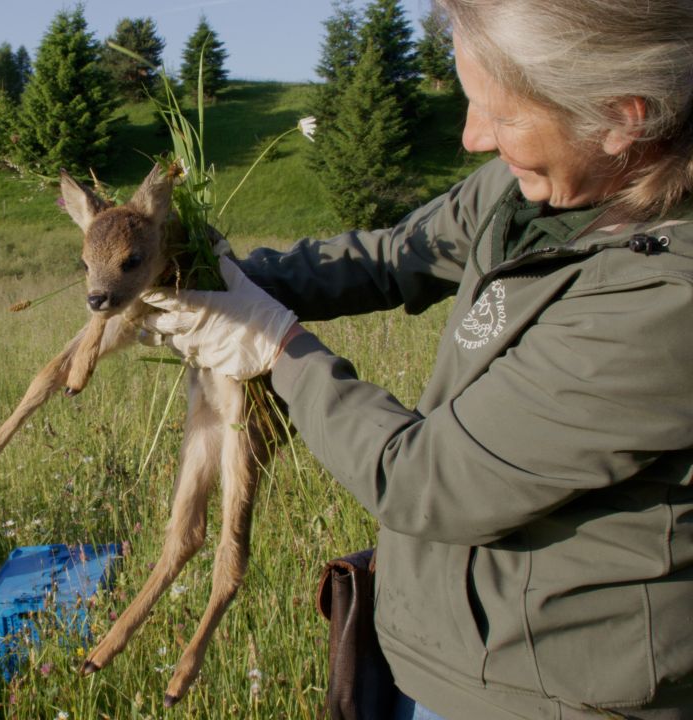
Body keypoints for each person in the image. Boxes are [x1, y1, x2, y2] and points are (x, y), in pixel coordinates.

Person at [140, 0, 693, 717]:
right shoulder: (536, 188)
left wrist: (275, 345)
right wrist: (218, 281)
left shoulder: (664, 301)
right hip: (431, 657)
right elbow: (393, 255)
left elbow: (428, 480)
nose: (471, 136)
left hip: (545, 696)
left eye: (500, 114)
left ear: (623, 119)